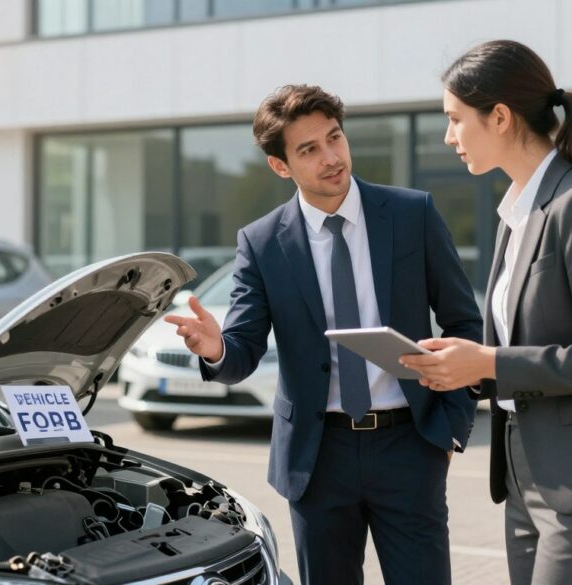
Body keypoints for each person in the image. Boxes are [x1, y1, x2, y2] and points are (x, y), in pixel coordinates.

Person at [165, 84, 482, 585]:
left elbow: (465, 323)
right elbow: (242, 351)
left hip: (409, 446)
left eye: (334, 138)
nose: (331, 157)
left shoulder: (411, 214)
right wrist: (216, 347)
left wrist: (451, 427)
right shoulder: (262, 242)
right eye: (309, 149)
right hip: (317, 459)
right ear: (281, 166)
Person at [400, 40, 572, 585]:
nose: (448, 136)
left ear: (499, 117)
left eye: (455, 120)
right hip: (527, 482)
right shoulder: (517, 212)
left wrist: (489, 361)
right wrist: (459, 367)